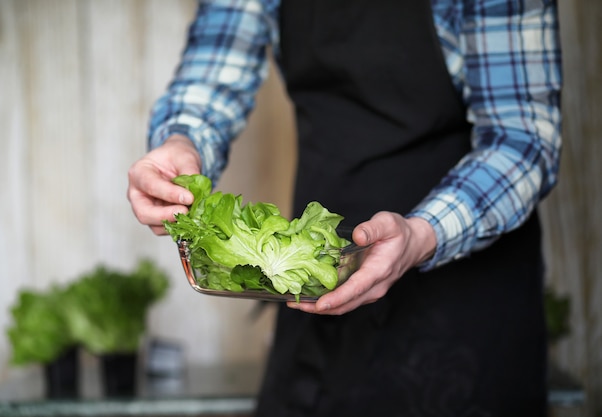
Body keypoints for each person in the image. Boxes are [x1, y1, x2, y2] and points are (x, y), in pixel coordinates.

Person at [127, 0, 562, 415]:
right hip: (318, 274)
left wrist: (422, 233)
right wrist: (180, 142)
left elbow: (521, 140)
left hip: (465, 288)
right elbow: (212, 71)